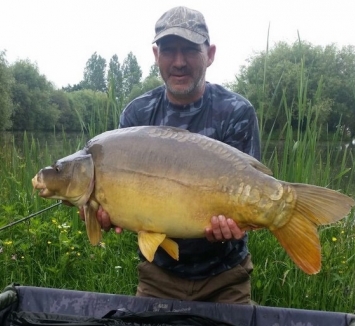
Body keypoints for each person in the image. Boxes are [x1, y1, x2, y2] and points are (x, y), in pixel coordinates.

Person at [95, 6, 261, 304]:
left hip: (226, 278)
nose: (179, 62)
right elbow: (123, 200)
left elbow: (250, 192)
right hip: (158, 278)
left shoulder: (236, 112)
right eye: (169, 50)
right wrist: (108, 211)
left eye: (190, 50)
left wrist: (237, 224)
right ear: (156, 55)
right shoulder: (137, 115)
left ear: (210, 54)